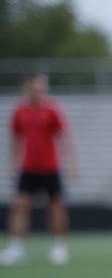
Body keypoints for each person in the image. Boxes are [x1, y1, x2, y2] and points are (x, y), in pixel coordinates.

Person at [2, 73, 79, 266]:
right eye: (33, 87)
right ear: (26, 88)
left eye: (40, 87)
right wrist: (12, 165)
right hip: (28, 167)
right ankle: (15, 247)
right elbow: (15, 139)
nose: (37, 91)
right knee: (19, 205)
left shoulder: (51, 110)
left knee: (55, 206)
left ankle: (58, 245)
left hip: (50, 167)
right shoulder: (19, 111)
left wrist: (72, 163)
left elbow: (65, 136)